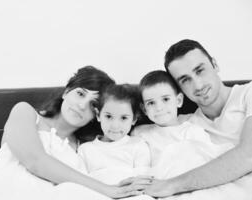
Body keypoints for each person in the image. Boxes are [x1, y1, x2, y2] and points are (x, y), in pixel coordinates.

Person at [0, 66, 151, 200]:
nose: (81, 105)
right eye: (80, 94)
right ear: (66, 92)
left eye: (92, 104)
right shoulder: (25, 112)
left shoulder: (84, 150)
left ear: (98, 115)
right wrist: (108, 190)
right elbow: (35, 160)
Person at [144, 39, 252, 198]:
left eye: (200, 70)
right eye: (185, 80)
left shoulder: (248, 93)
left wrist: (171, 185)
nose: (198, 85)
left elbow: (248, 155)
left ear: (215, 65)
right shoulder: (189, 125)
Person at [132, 70, 231, 180]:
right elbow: (136, 165)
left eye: (165, 99)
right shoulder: (140, 133)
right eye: (151, 103)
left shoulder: (192, 129)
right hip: (156, 184)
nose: (159, 108)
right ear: (144, 109)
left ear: (178, 100)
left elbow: (207, 160)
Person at [78, 84, 151, 185]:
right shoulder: (85, 150)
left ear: (133, 119)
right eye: (108, 116)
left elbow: (143, 181)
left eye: (124, 118)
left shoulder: (138, 145)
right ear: (98, 115)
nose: (115, 126)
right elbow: (81, 184)